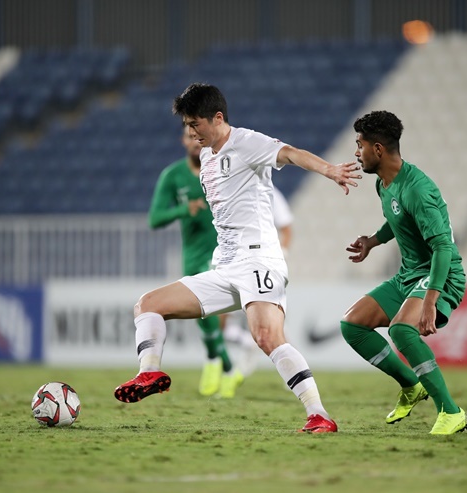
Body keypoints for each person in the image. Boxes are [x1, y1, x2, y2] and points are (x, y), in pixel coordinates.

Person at [115, 82, 361, 433]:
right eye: (186, 125)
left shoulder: (247, 142)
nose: (190, 132)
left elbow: (289, 153)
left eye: (195, 123)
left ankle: (318, 413)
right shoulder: (205, 157)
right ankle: (149, 372)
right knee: (147, 304)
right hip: (225, 266)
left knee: (266, 337)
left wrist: (329, 170)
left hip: (259, 260)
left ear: (217, 118)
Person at [341, 110, 467, 435]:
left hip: (441, 273)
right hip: (410, 274)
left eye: (360, 145)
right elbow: (397, 221)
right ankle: (412, 386)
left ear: (379, 149)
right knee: (352, 325)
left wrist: (430, 301)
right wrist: (373, 240)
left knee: (400, 331)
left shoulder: (418, 190)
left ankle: (451, 412)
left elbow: (442, 248)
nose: (357, 152)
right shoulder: (384, 184)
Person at [148, 126, 242, 398]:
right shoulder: (173, 176)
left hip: (222, 253)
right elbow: (154, 219)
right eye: (188, 136)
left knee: (209, 311)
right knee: (202, 314)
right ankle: (225, 364)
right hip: (192, 254)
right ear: (183, 141)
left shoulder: (224, 168)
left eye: (196, 136)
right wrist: (183, 209)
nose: (193, 141)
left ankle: (215, 361)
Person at [221, 184, 294, 377]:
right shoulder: (230, 187)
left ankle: (293, 372)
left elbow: (286, 227)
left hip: (263, 265)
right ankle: (246, 345)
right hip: (235, 264)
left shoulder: (270, 193)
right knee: (219, 321)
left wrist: (280, 255)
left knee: (271, 327)